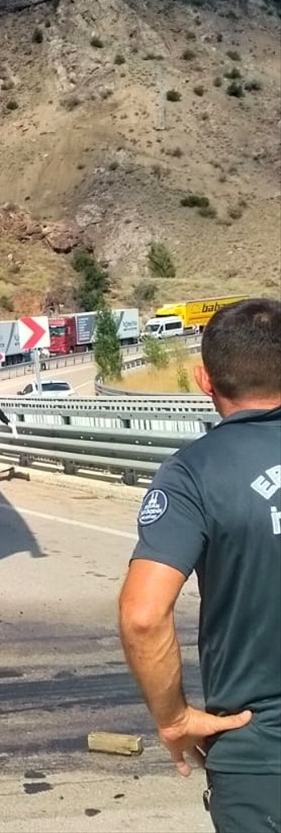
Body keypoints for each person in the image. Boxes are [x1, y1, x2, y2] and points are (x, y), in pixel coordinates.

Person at [118, 297, 281, 833]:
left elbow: (144, 615)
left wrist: (174, 719)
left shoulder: (192, 475)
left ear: (202, 378)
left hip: (260, 757)